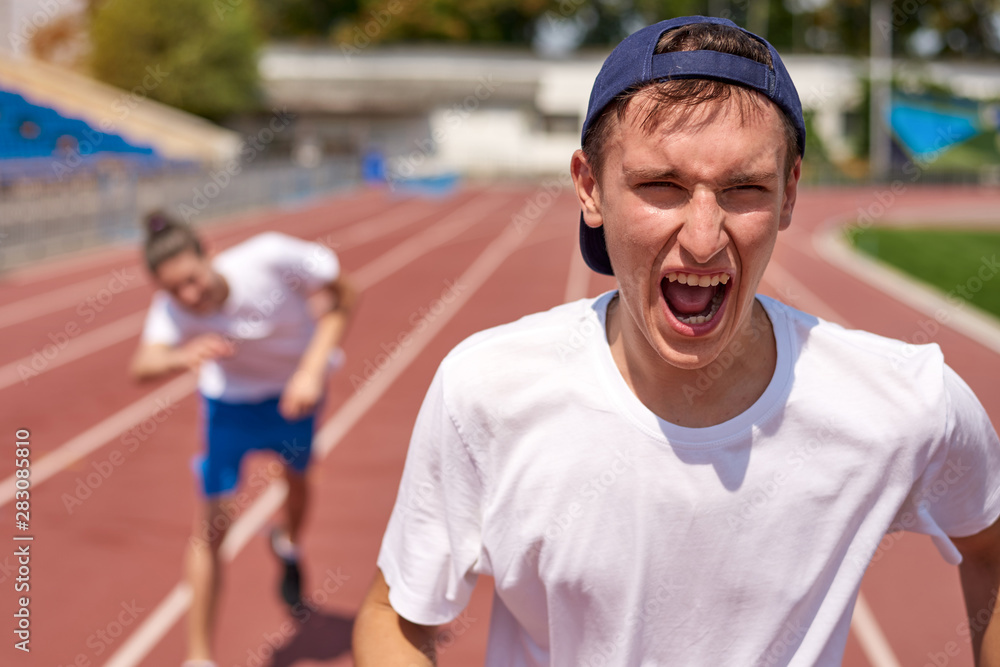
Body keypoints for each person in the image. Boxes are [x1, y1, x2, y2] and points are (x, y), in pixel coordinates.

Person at [353, 15, 1000, 666]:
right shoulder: (488, 392)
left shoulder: (905, 402)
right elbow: (396, 618)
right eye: (660, 186)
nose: (702, 236)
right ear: (589, 187)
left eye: (744, 188)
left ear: (789, 193)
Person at [129, 211, 357, 667]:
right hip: (229, 408)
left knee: (298, 482)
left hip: (295, 395)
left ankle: (287, 542)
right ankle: (198, 657)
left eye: (193, 280)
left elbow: (346, 297)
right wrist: (178, 356)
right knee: (211, 527)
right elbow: (142, 365)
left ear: (210, 253)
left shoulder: (270, 257)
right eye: (174, 290)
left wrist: (312, 370)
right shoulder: (173, 309)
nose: (189, 297)